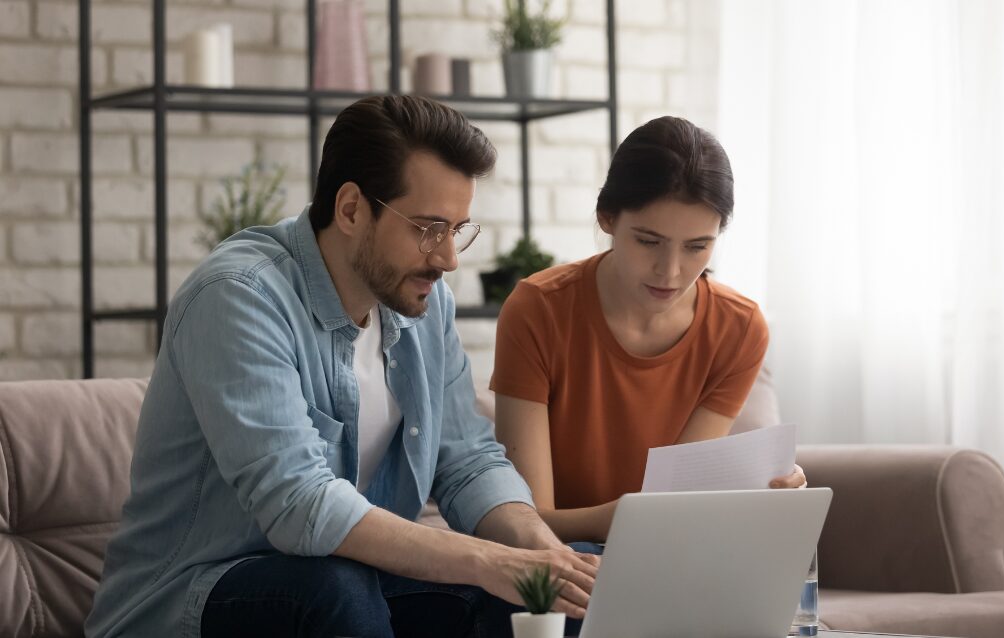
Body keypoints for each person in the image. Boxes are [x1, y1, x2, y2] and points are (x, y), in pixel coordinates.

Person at [85, 95, 598, 638]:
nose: (448, 258)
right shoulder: (237, 297)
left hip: (357, 584)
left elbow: (466, 459)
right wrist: (489, 562)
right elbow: (301, 503)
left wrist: (542, 551)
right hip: (192, 598)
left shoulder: (424, 302)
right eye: (429, 228)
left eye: (457, 229)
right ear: (352, 209)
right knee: (336, 590)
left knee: (565, 579)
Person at [491, 116, 805, 545]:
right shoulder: (537, 309)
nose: (671, 272)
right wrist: (620, 518)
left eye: (698, 247)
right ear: (607, 218)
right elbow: (529, 522)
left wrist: (762, 491)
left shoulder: (740, 328)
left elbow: (676, 501)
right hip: (560, 555)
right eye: (648, 241)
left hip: (667, 552)